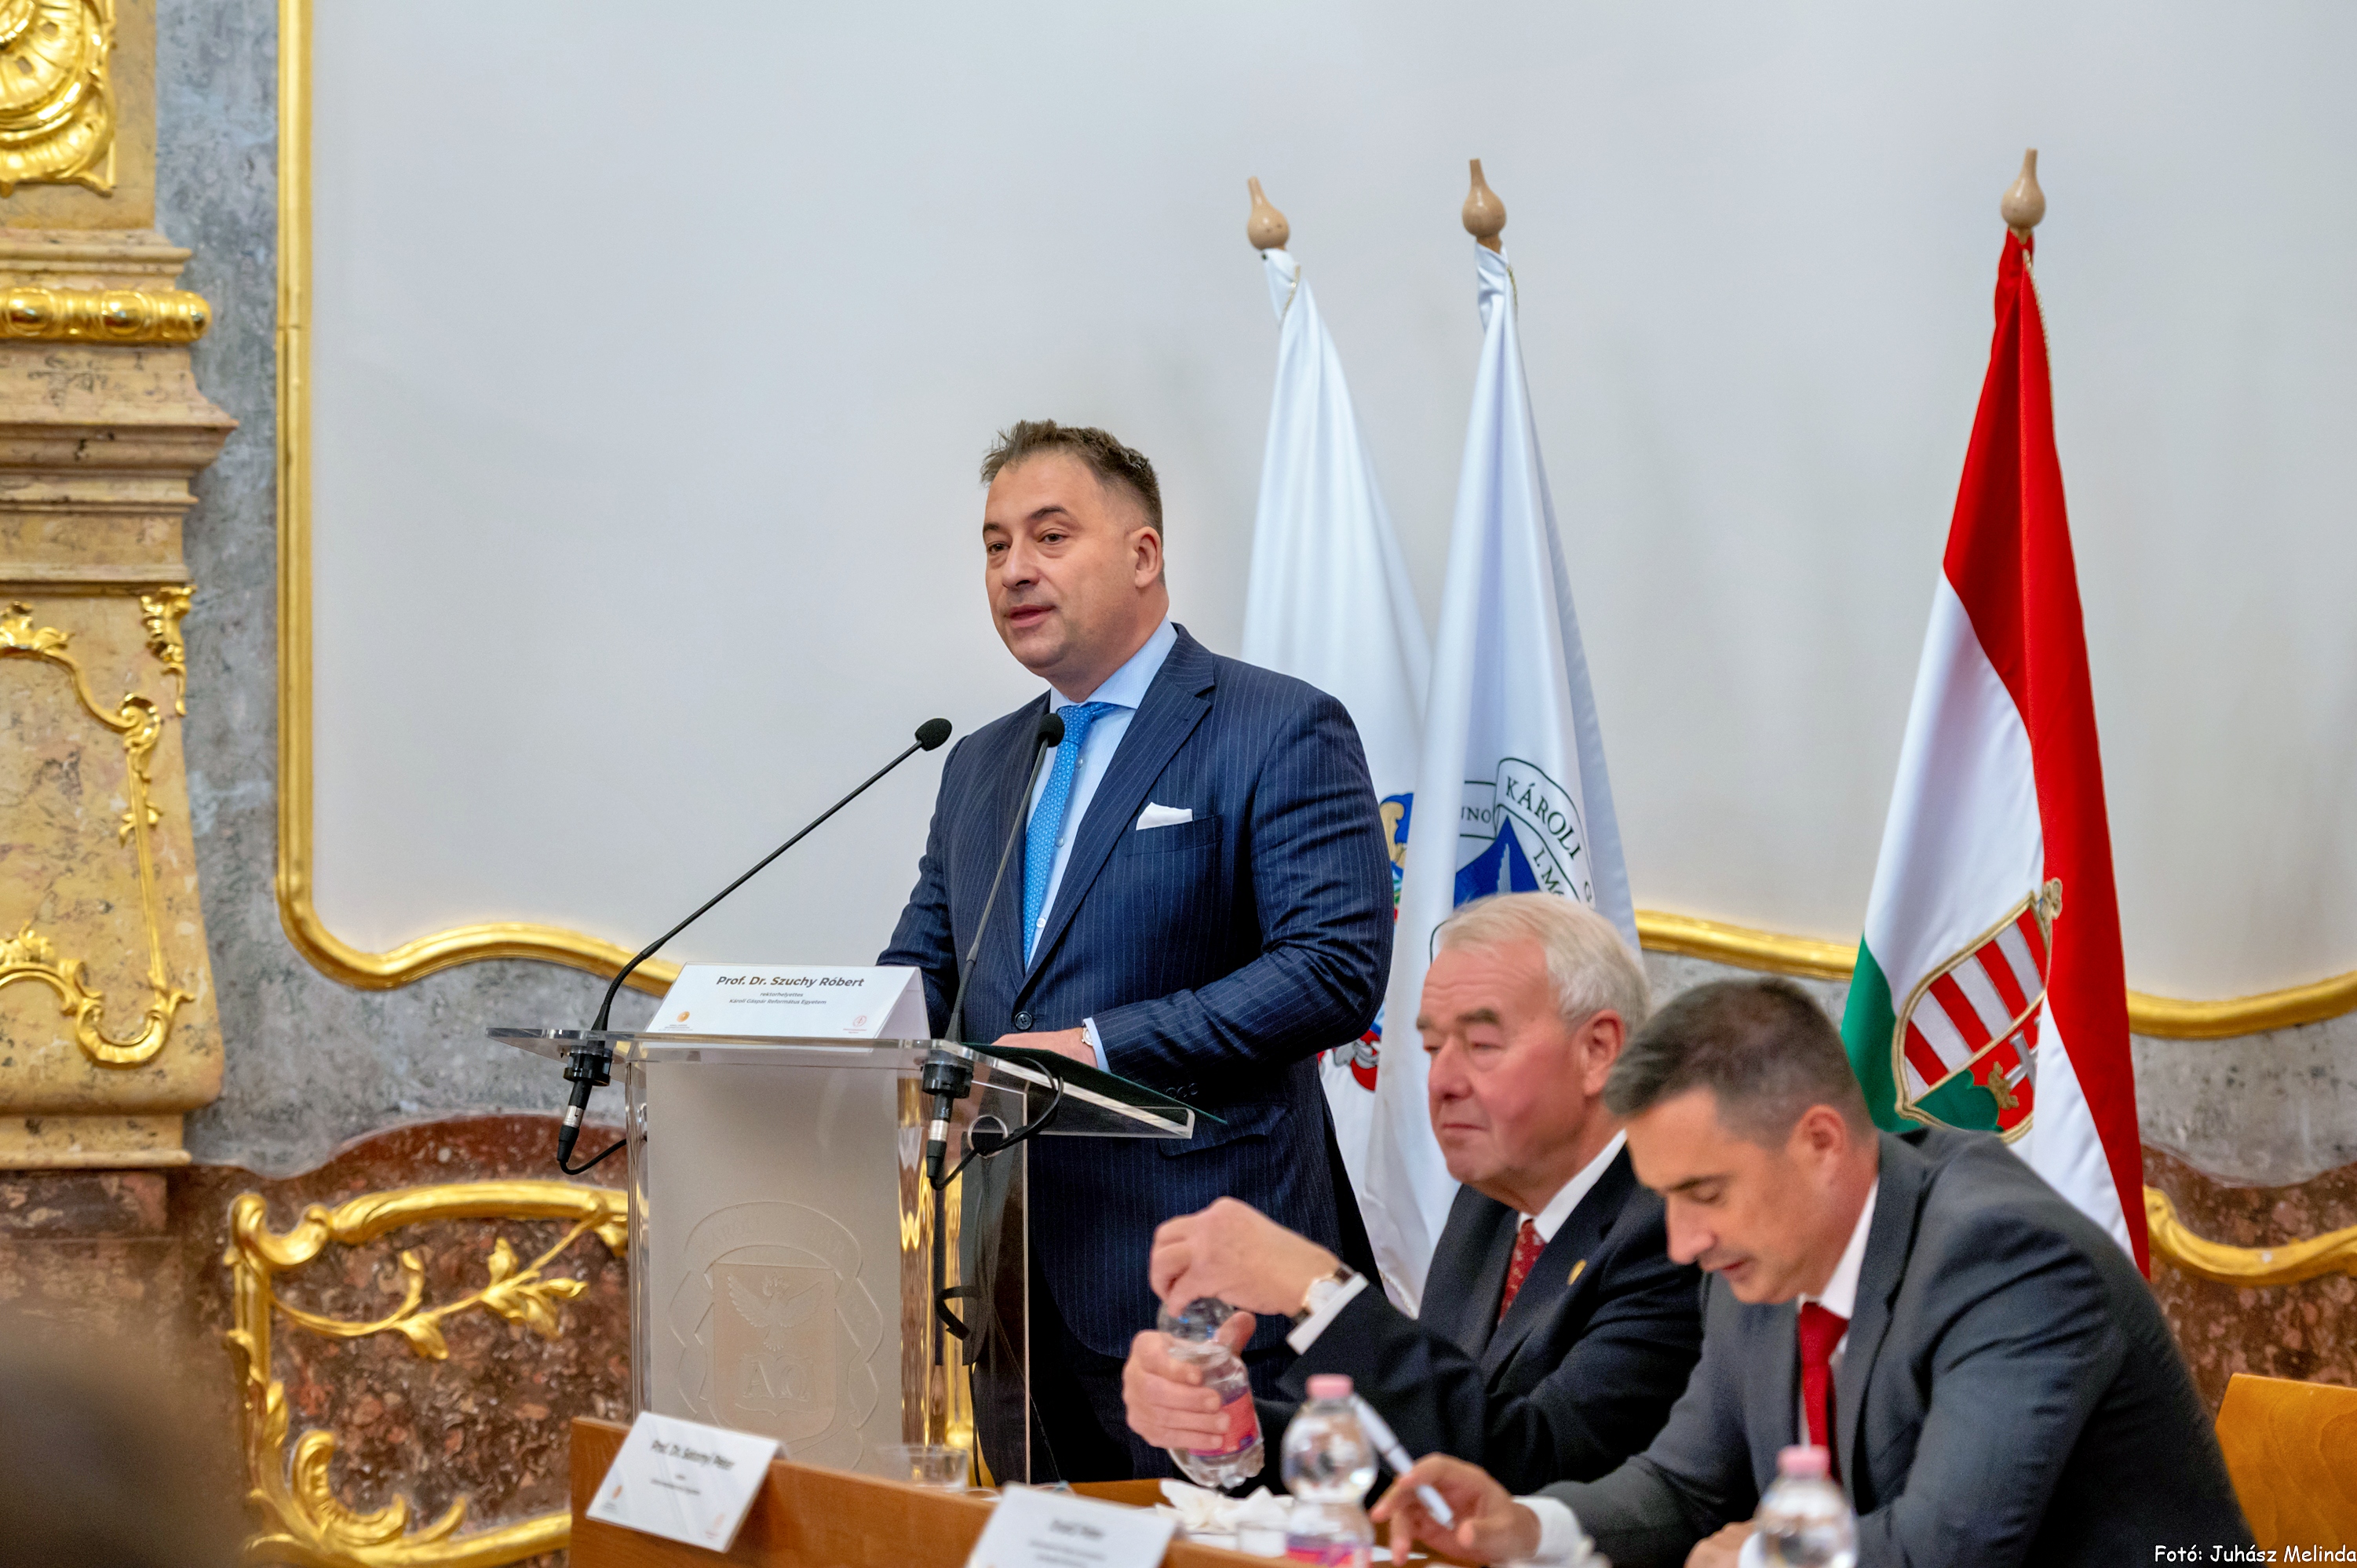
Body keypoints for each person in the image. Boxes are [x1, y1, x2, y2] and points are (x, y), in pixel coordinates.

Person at [880, 420, 1395, 1480]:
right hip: (1014, 1291)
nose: (1014, 569)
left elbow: (1331, 966)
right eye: (993, 545)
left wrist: (1099, 1048)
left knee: (1221, 1550)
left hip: (1205, 1287)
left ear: (1143, 553)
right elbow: (925, 973)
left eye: (1050, 535)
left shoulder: (1277, 726)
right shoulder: (979, 764)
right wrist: (827, 1038)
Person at [1373, 976, 2253, 1568]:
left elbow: (1949, 1547)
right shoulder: (1762, 1258)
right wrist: (1525, 1527)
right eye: (1665, 1197)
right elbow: (1683, 1485)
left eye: (1704, 1192)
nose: (1681, 1241)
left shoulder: (2008, 1259)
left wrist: (1761, 1556)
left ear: (1821, 1143)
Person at [1122, 893, 1703, 1491]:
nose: (1442, 1081)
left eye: (1481, 1046)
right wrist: (1232, 1428)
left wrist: (1317, 1289)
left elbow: (1538, 1472)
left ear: (1597, 1049)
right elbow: (1436, 1447)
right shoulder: (1491, 1201)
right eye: (1432, 1049)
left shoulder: (1677, 1225)